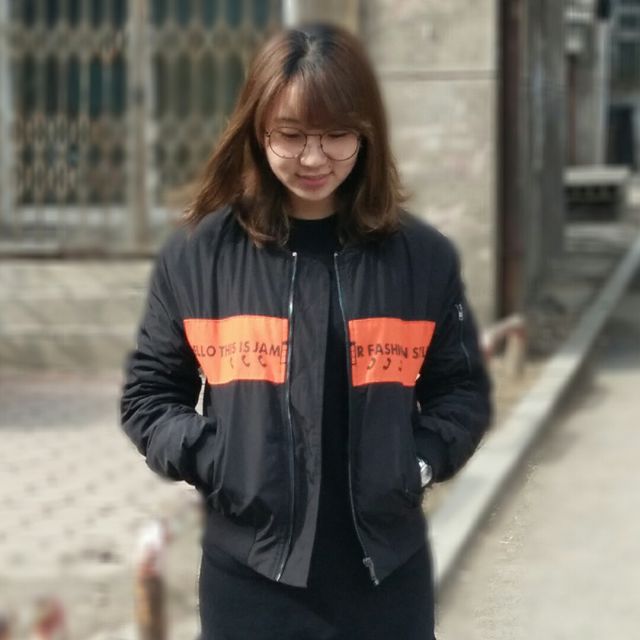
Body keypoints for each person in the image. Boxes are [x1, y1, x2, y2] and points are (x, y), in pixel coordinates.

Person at [120, 23, 492, 640]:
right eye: (291, 135)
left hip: (385, 581)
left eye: (336, 135)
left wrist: (420, 462)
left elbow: (462, 392)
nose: (314, 158)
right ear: (257, 130)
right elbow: (149, 397)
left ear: (366, 135)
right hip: (248, 581)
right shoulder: (198, 257)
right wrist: (217, 459)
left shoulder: (421, 260)